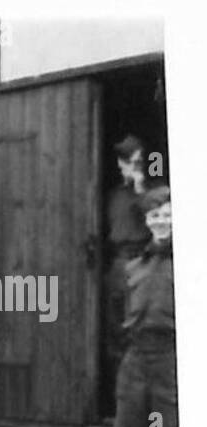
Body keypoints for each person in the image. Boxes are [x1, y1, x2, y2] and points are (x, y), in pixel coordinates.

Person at [107, 185, 177, 427]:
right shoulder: (134, 265)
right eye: (154, 215)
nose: (161, 221)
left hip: (172, 363)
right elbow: (119, 321)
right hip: (136, 363)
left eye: (167, 213)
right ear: (146, 221)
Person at [103, 135, 154, 403]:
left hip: (139, 262)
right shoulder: (113, 195)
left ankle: (138, 402)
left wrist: (141, 188)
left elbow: (156, 222)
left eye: (136, 162)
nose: (132, 167)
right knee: (114, 331)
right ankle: (117, 399)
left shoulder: (150, 193)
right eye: (127, 162)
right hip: (116, 264)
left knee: (136, 330)